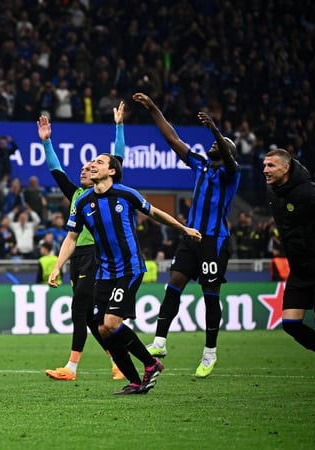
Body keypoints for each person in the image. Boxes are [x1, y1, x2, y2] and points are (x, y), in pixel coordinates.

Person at [48, 153, 202, 395]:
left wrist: (183, 228)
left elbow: (155, 213)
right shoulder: (82, 202)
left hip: (129, 268)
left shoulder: (126, 194)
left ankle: (151, 364)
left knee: (111, 323)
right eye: (92, 162)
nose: (92, 165)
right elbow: (71, 238)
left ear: (111, 171)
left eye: (99, 162)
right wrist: (57, 266)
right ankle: (134, 381)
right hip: (104, 272)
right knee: (101, 329)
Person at [133, 92, 240, 378]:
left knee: (210, 296)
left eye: (221, 143)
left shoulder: (231, 174)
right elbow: (173, 139)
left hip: (214, 241)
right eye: (215, 142)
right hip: (190, 237)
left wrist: (216, 130)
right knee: (174, 285)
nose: (215, 144)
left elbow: (230, 161)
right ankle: (159, 341)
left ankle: (209, 353)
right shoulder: (200, 166)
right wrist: (154, 108)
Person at [38, 104, 126, 382]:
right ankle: (118, 363)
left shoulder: (106, 193)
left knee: (79, 309)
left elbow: (118, 158)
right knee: (89, 318)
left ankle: (71, 368)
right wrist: (46, 142)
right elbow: (55, 169)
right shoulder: (77, 195)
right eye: (84, 168)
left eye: (91, 167)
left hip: (96, 256)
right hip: (78, 257)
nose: (85, 170)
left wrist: (119, 127)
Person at [262, 148, 315, 393]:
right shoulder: (273, 193)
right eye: (264, 165)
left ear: (286, 167)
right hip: (299, 270)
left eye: (271, 165)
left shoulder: (308, 191)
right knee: (291, 324)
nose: (265, 170)